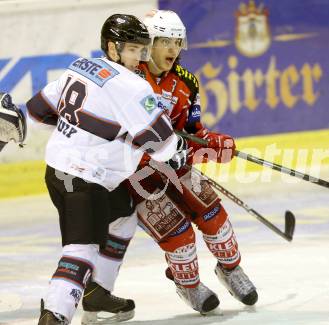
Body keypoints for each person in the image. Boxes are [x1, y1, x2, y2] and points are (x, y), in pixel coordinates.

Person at [19, 14, 188, 325]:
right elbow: (162, 146)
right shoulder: (132, 86)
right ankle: (55, 314)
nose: (140, 58)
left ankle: (97, 292)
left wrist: (95, 128)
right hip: (85, 180)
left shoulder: (81, 66)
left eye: (142, 50)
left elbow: (38, 112)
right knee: (81, 248)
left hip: (59, 171)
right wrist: (176, 150)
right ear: (113, 48)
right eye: (134, 50)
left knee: (123, 216)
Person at [89, 10, 258, 317]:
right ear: (148, 43)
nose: (173, 49)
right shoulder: (125, 76)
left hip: (175, 166)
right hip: (136, 175)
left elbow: (194, 134)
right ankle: (189, 285)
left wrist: (213, 143)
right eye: (165, 41)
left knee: (216, 220)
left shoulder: (186, 83)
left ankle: (230, 269)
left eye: (178, 42)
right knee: (180, 237)